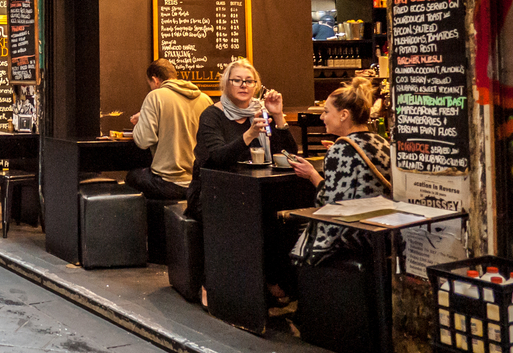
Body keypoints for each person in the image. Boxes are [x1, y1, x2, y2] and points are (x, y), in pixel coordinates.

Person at [288, 78, 391, 265]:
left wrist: (312, 175)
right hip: (383, 231)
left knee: (294, 237)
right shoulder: (382, 142)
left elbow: (332, 205)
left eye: (326, 111)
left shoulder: (341, 150)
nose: (322, 117)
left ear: (344, 115)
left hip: (354, 235)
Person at [186, 59, 296, 221]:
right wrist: (249, 135)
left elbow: (289, 156)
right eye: (237, 80)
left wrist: (278, 115)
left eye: (249, 81)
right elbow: (216, 158)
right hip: (214, 193)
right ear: (226, 84)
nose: (243, 85)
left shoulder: (261, 113)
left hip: (254, 190)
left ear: (256, 86)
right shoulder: (211, 116)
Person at [125, 59, 212, 200]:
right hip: (198, 183)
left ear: (155, 80)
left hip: (169, 184)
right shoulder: (205, 99)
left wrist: (141, 121)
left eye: (151, 85)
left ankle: (154, 221)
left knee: (132, 177)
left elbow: (143, 141)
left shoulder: (155, 96)